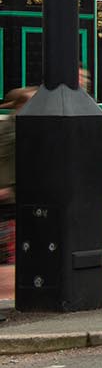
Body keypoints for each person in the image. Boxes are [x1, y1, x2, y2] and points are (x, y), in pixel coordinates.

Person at [0, 87, 30, 265]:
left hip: (21, 186)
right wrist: (3, 185)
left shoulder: (24, 125)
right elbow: (3, 157)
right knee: (10, 225)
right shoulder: (9, 127)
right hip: (10, 187)